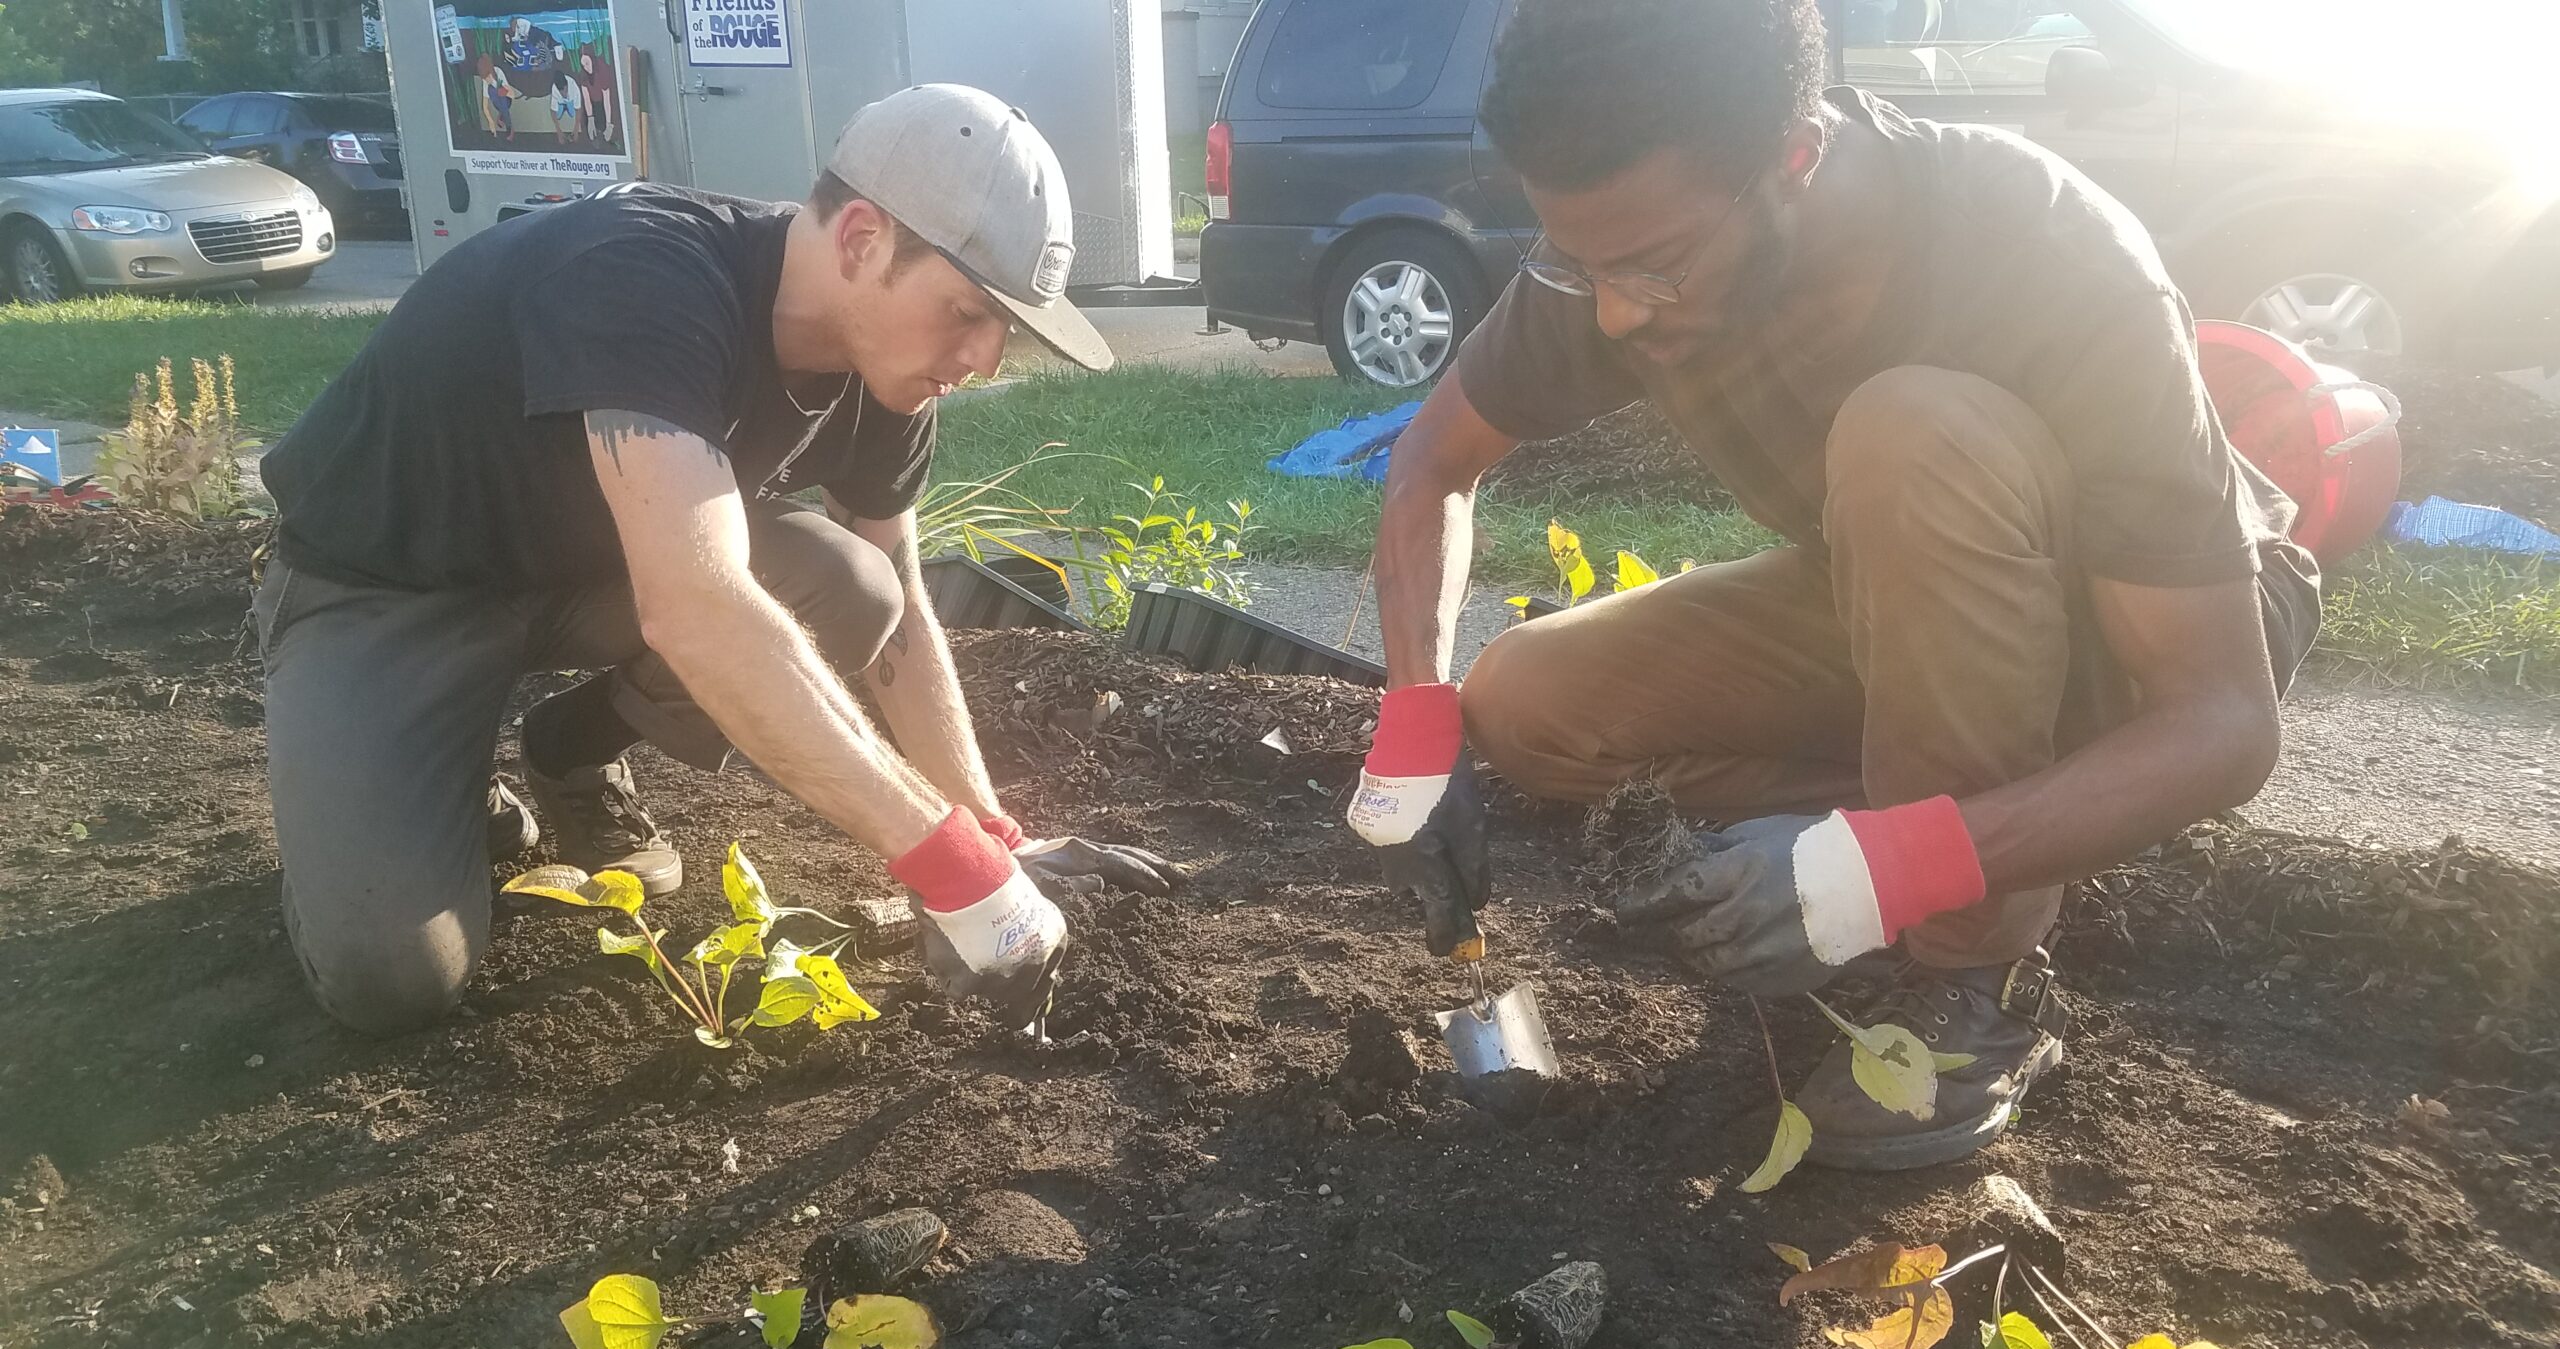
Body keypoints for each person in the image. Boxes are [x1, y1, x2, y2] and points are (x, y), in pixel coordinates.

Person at [1346, 0, 2319, 1170]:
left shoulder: (2039, 250)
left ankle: (1977, 973)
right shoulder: (1622, 244)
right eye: (1583, 262)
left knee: (1909, 432)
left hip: (2143, 638)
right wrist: (1415, 723)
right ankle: (1922, 823)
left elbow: (2222, 726)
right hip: (1894, 598)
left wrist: (1881, 871)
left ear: (1793, 159)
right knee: (1522, 702)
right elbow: (1430, 463)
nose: (1614, 312)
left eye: (1653, 267)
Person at [256, 85, 1174, 1039]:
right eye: (967, 311)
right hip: (393, 586)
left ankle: (565, 753)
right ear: (861, 239)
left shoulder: (892, 376)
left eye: (1005, 329)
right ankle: (406, 775)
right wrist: (953, 875)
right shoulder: (645, 274)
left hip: (597, 573)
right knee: (395, 980)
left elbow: (897, 596)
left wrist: (988, 832)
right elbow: (697, 607)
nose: (984, 359)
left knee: (855, 590)